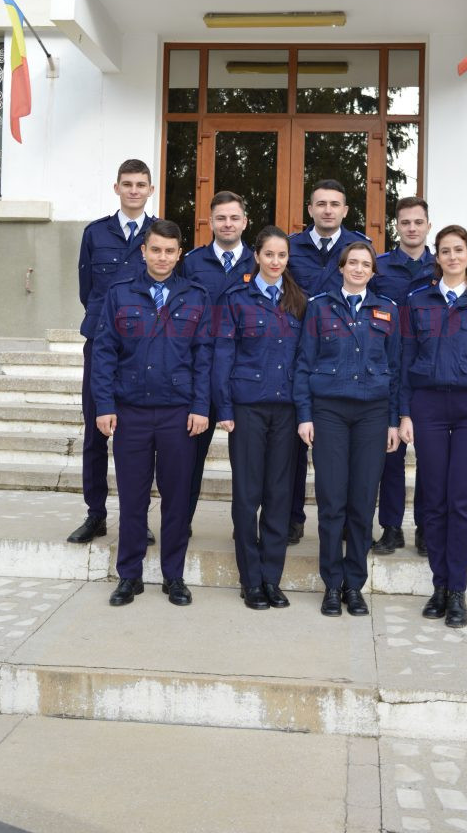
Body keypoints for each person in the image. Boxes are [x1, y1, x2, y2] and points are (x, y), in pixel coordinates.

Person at [91, 220, 212, 607]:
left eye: (169, 251)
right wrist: (105, 405)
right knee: (133, 498)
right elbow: (104, 352)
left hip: (179, 413)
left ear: (179, 254)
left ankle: (173, 576)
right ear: (143, 251)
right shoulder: (120, 293)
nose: (162, 257)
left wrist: (201, 406)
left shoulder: (196, 296)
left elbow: (204, 357)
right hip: (131, 412)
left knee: (176, 499)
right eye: (155, 249)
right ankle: (129, 575)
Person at [399, 225, 467, 628]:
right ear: (437, 257)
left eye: (459, 250)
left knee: (461, 500)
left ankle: (457, 590)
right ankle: (439, 586)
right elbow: (406, 359)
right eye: (445, 251)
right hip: (427, 406)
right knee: (434, 500)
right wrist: (405, 413)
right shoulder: (417, 301)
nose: (452, 257)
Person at [294, 242, 400, 618]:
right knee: (332, 500)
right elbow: (304, 363)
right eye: (352, 262)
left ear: (373, 271)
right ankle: (331, 584)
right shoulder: (318, 307)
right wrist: (304, 414)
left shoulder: (388, 309)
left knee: (362, 500)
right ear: (341, 267)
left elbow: (395, 369)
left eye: (365, 264)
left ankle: (354, 585)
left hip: (372, 413)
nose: (358, 269)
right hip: (329, 412)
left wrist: (393, 420)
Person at [213, 226, 306, 610]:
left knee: (279, 495)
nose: (275, 261)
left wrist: (305, 411)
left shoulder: (299, 301)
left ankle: (271, 578)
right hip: (248, 406)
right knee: (248, 494)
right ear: (257, 256)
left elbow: (305, 359)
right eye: (269, 254)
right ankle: (250, 580)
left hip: (286, 409)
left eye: (282, 255)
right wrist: (224, 407)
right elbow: (223, 354)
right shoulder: (237, 299)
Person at [68, 159, 156, 545]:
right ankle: (96, 515)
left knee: (140, 437)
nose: (134, 190)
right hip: (102, 344)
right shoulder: (95, 233)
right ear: (116, 188)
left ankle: (137, 518)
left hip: (144, 347)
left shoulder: (160, 233)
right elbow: (87, 289)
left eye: (141, 184)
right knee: (95, 432)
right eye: (128, 183)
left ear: (150, 190)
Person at [287, 179, 371, 546]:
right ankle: (292, 518)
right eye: (320, 204)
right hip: (296, 351)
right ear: (310, 209)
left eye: (335, 204)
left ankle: (349, 524)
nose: (327, 210)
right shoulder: (292, 247)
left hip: (341, 357)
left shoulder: (359, 248)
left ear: (345, 210)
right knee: (293, 448)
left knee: (345, 457)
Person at [181, 191, 255, 532]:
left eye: (234, 217)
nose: (228, 224)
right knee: (190, 458)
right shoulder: (192, 262)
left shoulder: (258, 262)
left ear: (245, 222)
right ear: (210, 222)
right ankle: (180, 523)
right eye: (221, 218)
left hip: (243, 373)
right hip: (200, 371)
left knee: (248, 462)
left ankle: (246, 529)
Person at [371, 196, 435, 558]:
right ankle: (391, 528)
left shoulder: (441, 266)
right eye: (405, 222)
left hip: (428, 372)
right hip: (389, 370)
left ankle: (425, 528)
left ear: (428, 225)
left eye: (418, 222)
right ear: (396, 226)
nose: (412, 228)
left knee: (428, 456)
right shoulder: (380, 267)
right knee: (391, 455)